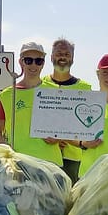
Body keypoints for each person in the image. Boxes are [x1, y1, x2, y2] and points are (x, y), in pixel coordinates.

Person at [0, 42, 63, 166]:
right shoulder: (6, 95)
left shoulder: (56, 91)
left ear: (43, 64)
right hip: (19, 163)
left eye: (38, 61)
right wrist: (7, 150)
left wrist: (58, 137)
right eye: (28, 60)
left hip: (50, 163)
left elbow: (65, 127)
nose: (33, 65)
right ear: (21, 62)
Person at [41, 38, 93, 183]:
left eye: (67, 54)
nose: (62, 57)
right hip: (45, 156)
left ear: (72, 58)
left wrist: (65, 139)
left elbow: (88, 125)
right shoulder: (40, 86)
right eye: (59, 54)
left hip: (73, 158)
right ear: (51, 57)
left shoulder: (85, 88)